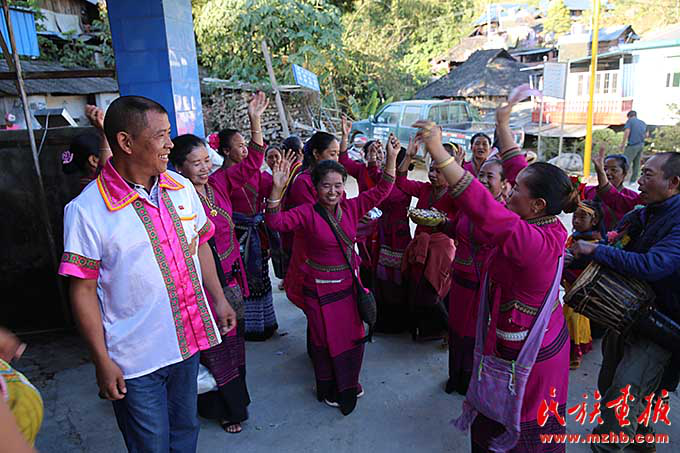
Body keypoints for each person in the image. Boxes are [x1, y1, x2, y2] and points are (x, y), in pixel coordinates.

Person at [59, 96, 237, 452]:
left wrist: (218, 298)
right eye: (161, 135)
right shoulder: (86, 210)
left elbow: (201, 244)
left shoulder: (181, 188)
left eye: (169, 133)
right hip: (135, 360)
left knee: (185, 432)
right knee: (150, 444)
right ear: (126, 142)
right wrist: (101, 360)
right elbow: (82, 291)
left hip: (186, 344)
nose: (170, 144)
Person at [413, 98, 578, 451]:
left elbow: (484, 208)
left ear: (537, 205)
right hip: (531, 332)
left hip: (527, 348)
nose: (509, 189)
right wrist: (503, 126)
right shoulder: (543, 219)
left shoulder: (533, 242)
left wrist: (439, 152)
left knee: (516, 421)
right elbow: (520, 170)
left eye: (515, 188)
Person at [265, 135, 398, 416]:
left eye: (338, 185)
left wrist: (392, 158)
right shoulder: (306, 213)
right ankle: (327, 386)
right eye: (326, 186)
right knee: (324, 340)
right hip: (319, 291)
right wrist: (277, 189)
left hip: (348, 288)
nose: (333, 191)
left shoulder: (351, 207)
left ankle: (349, 383)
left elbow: (383, 189)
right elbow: (275, 222)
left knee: (352, 337)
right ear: (315, 188)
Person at [572, 152, 680, 453]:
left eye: (647, 175)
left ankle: (610, 444)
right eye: (641, 173)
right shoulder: (643, 213)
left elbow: (654, 265)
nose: (640, 181)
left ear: (673, 182)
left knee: (627, 386)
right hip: (629, 311)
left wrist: (596, 251)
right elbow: (617, 244)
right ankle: (640, 431)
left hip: (662, 320)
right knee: (610, 378)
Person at [169, 134, 252, 434]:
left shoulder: (218, 185)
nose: (205, 168)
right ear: (179, 167)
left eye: (207, 161)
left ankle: (237, 403)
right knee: (214, 349)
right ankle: (221, 410)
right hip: (202, 285)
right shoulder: (175, 198)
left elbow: (251, 164)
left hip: (231, 279)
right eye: (196, 163)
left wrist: (255, 123)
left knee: (235, 345)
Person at [445, 110, 528, 395]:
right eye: (479, 175)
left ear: (505, 184)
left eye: (489, 177)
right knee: (456, 330)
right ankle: (455, 377)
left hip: (485, 286)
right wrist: (441, 224)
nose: (481, 180)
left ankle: (473, 384)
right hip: (460, 280)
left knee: (476, 334)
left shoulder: (505, 216)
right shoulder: (469, 207)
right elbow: (457, 229)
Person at [208, 93, 276, 342]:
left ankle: (265, 322)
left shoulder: (253, 173)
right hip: (238, 237)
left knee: (261, 276)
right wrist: (254, 120)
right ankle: (247, 326)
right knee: (244, 279)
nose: (245, 149)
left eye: (246, 144)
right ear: (226, 151)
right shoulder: (219, 180)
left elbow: (271, 190)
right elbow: (255, 161)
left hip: (257, 232)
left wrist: (280, 179)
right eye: (239, 145)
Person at [398, 137, 459, 342]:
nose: (432, 175)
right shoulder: (424, 189)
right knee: (416, 288)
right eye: (431, 170)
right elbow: (401, 182)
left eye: (438, 171)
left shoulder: (454, 195)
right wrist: (408, 156)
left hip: (442, 252)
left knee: (433, 292)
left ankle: (448, 330)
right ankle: (426, 331)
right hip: (421, 247)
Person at [282, 131, 341, 307]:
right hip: (312, 250)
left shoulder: (329, 179)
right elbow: (317, 219)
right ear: (316, 154)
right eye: (332, 154)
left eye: (337, 154)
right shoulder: (303, 182)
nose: (336, 159)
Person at [562, 200, 603, 370]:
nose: (576, 221)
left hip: (580, 289)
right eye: (574, 216)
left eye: (582, 217)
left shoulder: (595, 243)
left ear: (594, 221)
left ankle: (575, 354)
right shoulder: (574, 238)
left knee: (574, 319)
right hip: (570, 286)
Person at [584, 147, 639, 231]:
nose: (607, 173)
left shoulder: (632, 197)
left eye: (613, 170)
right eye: (604, 169)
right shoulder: (588, 191)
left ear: (624, 174)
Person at [61, 105, 112, 192]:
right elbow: (107, 169)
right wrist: (103, 133)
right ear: (93, 160)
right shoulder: (95, 188)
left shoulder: (81, 185)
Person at [621, 111, 647, 183]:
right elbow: (646, 134)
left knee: (624, 162)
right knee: (637, 163)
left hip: (632, 145)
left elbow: (627, 131)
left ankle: (621, 180)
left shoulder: (630, 121)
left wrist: (623, 144)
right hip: (641, 144)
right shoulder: (643, 123)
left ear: (629, 116)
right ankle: (633, 181)